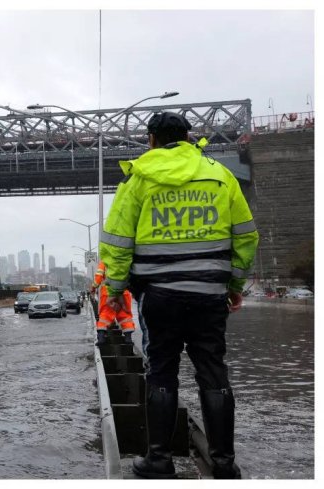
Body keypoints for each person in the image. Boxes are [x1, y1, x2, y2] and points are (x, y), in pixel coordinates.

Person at [99, 111, 258, 479]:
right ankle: (223, 463)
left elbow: (118, 243)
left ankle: (159, 459)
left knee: (161, 373)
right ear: (189, 138)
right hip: (208, 295)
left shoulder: (138, 179)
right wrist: (233, 286)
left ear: (151, 140)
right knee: (213, 373)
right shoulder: (220, 176)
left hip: (159, 297)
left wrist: (115, 290)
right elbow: (246, 236)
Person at [90, 260, 135, 345]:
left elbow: (98, 277)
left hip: (108, 292)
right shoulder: (125, 259)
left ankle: (101, 337)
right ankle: (128, 339)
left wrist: (93, 288)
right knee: (125, 315)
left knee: (105, 314)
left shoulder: (105, 261)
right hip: (124, 290)